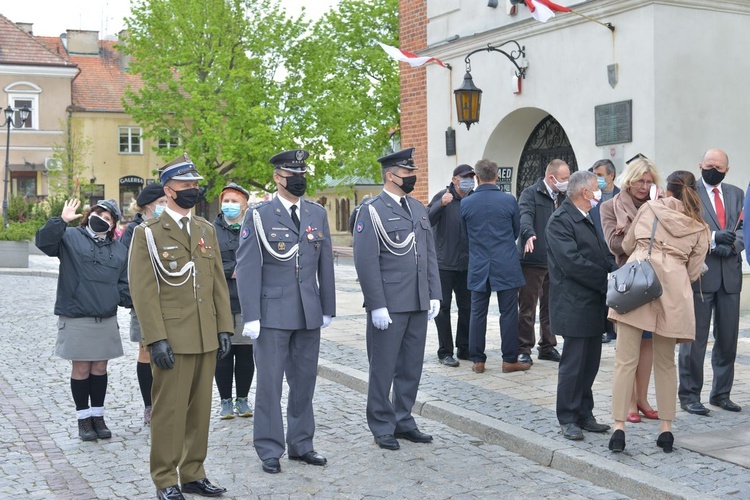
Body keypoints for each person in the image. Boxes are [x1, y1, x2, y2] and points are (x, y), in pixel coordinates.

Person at [129, 153, 232, 500]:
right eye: (186, 184)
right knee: (169, 412)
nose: (193, 189)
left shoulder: (205, 229)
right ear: (169, 189)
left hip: (205, 335)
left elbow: (216, 281)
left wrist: (224, 328)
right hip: (172, 337)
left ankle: (193, 473)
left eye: (195, 184)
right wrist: (155, 339)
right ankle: (164, 478)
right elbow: (143, 291)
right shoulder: (149, 234)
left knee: (200, 411)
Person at [236, 150, 335, 474]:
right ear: (278, 178)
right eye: (293, 174)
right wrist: (251, 314)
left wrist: (328, 308)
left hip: (308, 312)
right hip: (273, 315)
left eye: (302, 173)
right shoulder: (260, 215)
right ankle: (269, 448)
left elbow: (326, 264)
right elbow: (248, 267)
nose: (299, 179)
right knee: (269, 385)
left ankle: (302, 444)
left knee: (304, 382)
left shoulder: (316, 213)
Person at [608, 170, 710, 453]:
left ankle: (619, 427)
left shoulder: (649, 209)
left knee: (625, 360)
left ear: (667, 189)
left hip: (638, 285)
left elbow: (627, 245)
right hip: (674, 293)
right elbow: (693, 271)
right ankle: (666, 429)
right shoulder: (699, 227)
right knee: (666, 363)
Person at [352, 147, 441, 451]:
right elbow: (366, 261)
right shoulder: (371, 210)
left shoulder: (417, 207)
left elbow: (429, 254)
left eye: (412, 173)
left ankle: (404, 420)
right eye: (406, 173)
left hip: (417, 300)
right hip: (389, 304)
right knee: (383, 367)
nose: (411, 178)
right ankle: (381, 424)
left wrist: (434, 293)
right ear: (391, 175)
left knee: (411, 366)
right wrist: (376, 303)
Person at [36, 198, 129, 442]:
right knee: (81, 368)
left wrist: (115, 298)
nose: (103, 220)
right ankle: (83, 419)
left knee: (100, 368)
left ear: (113, 225)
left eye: (109, 218)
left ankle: (98, 416)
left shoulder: (119, 249)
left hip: (104, 317)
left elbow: (124, 283)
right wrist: (61, 220)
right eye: (99, 214)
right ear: (89, 216)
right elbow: (43, 242)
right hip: (77, 314)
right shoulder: (69, 237)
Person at [546, 171, 615, 441]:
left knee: (590, 364)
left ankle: (585, 413)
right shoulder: (560, 221)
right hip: (573, 302)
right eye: (594, 188)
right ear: (584, 193)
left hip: (593, 302)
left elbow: (602, 252)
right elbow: (572, 262)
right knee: (573, 365)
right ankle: (568, 417)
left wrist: (615, 270)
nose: (599, 191)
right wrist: (606, 278)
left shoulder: (587, 216)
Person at [679, 148, 745, 415]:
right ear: (700, 165)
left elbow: (745, 228)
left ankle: (721, 393)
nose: (713, 170)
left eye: (718, 166)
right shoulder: (689, 193)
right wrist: (714, 239)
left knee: (727, 339)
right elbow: (684, 227)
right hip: (701, 274)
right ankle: (690, 395)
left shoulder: (737, 193)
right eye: (709, 165)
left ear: (727, 169)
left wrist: (733, 245)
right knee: (694, 340)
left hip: (730, 274)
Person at [599, 156, 659, 423]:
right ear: (629, 179)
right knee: (628, 347)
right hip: (629, 282)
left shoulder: (658, 205)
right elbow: (616, 245)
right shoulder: (610, 206)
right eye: (639, 180)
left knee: (648, 343)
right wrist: (644, 220)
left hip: (655, 280)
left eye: (649, 182)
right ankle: (629, 402)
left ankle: (643, 398)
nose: (644, 187)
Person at [461, 159, 528, 375]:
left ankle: (478, 360)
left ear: (477, 178)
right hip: (505, 261)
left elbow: (465, 235)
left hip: (479, 262)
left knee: (477, 312)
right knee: (508, 313)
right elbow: (516, 230)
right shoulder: (509, 201)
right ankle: (509, 360)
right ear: (496, 176)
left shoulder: (466, 203)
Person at [120, 183, 167, 426]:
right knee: (146, 352)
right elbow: (126, 264)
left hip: (169, 300)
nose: (165, 206)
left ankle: (166, 402)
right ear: (149, 205)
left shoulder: (169, 225)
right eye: (161, 202)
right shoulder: (134, 229)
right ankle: (149, 405)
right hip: (143, 300)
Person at [516, 159, 569, 365]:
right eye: (564, 179)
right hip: (533, 259)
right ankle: (523, 348)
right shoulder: (531, 193)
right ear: (551, 178)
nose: (567, 182)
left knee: (551, 306)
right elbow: (524, 216)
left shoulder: (564, 197)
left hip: (555, 261)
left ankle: (547, 346)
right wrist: (528, 233)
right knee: (527, 307)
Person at [213, 182, 255, 420]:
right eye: (226, 201)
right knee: (223, 353)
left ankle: (243, 399)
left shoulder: (251, 227)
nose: (229, 205)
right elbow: (207, 261)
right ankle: (225, 401)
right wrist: (232, 270)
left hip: (247, 300)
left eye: (234, 201)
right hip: (220, 301)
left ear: (244, 204)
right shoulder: (211, 229)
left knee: (246, 353)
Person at [426, 163, 474, 366]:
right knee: (443, 308)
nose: (468, 180)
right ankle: (445, 351)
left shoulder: (473, 199)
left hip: (467, 263)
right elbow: (426, 220)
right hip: (444, 263)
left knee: (468, 307)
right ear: (455, 179)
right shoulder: (443, 196)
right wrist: (441, 205)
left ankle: (464, 348)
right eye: (464, 177)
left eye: (471, 177)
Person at [589, 159, 619, 343]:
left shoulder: (622, 196)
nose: (596, 178)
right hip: (595, 250)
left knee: (616, 290)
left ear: (611, 175)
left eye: (599, 175)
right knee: (599, 291)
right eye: (594, 174)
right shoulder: (591, 197)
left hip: (615, 251)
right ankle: (600, 326)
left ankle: (613, 328)